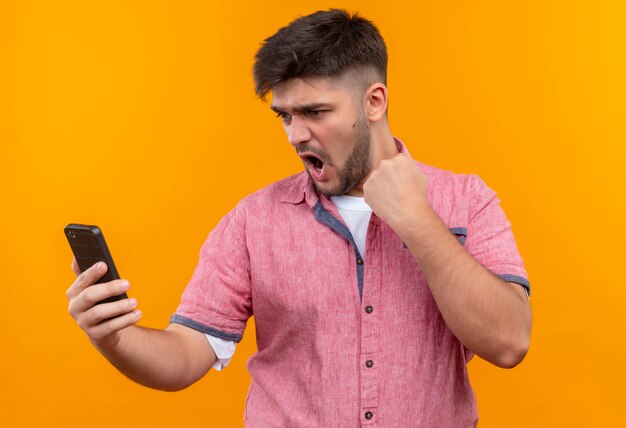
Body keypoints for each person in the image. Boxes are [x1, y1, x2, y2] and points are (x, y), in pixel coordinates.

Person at [66, 9, 531, 427]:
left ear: (375, 102)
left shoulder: (467, 199)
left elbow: (509, 342)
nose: (295, 135)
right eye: (284, 116)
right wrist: (115, 339)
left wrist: (417, 221)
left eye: (315, 112)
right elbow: (186, 355)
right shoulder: (252, 221)